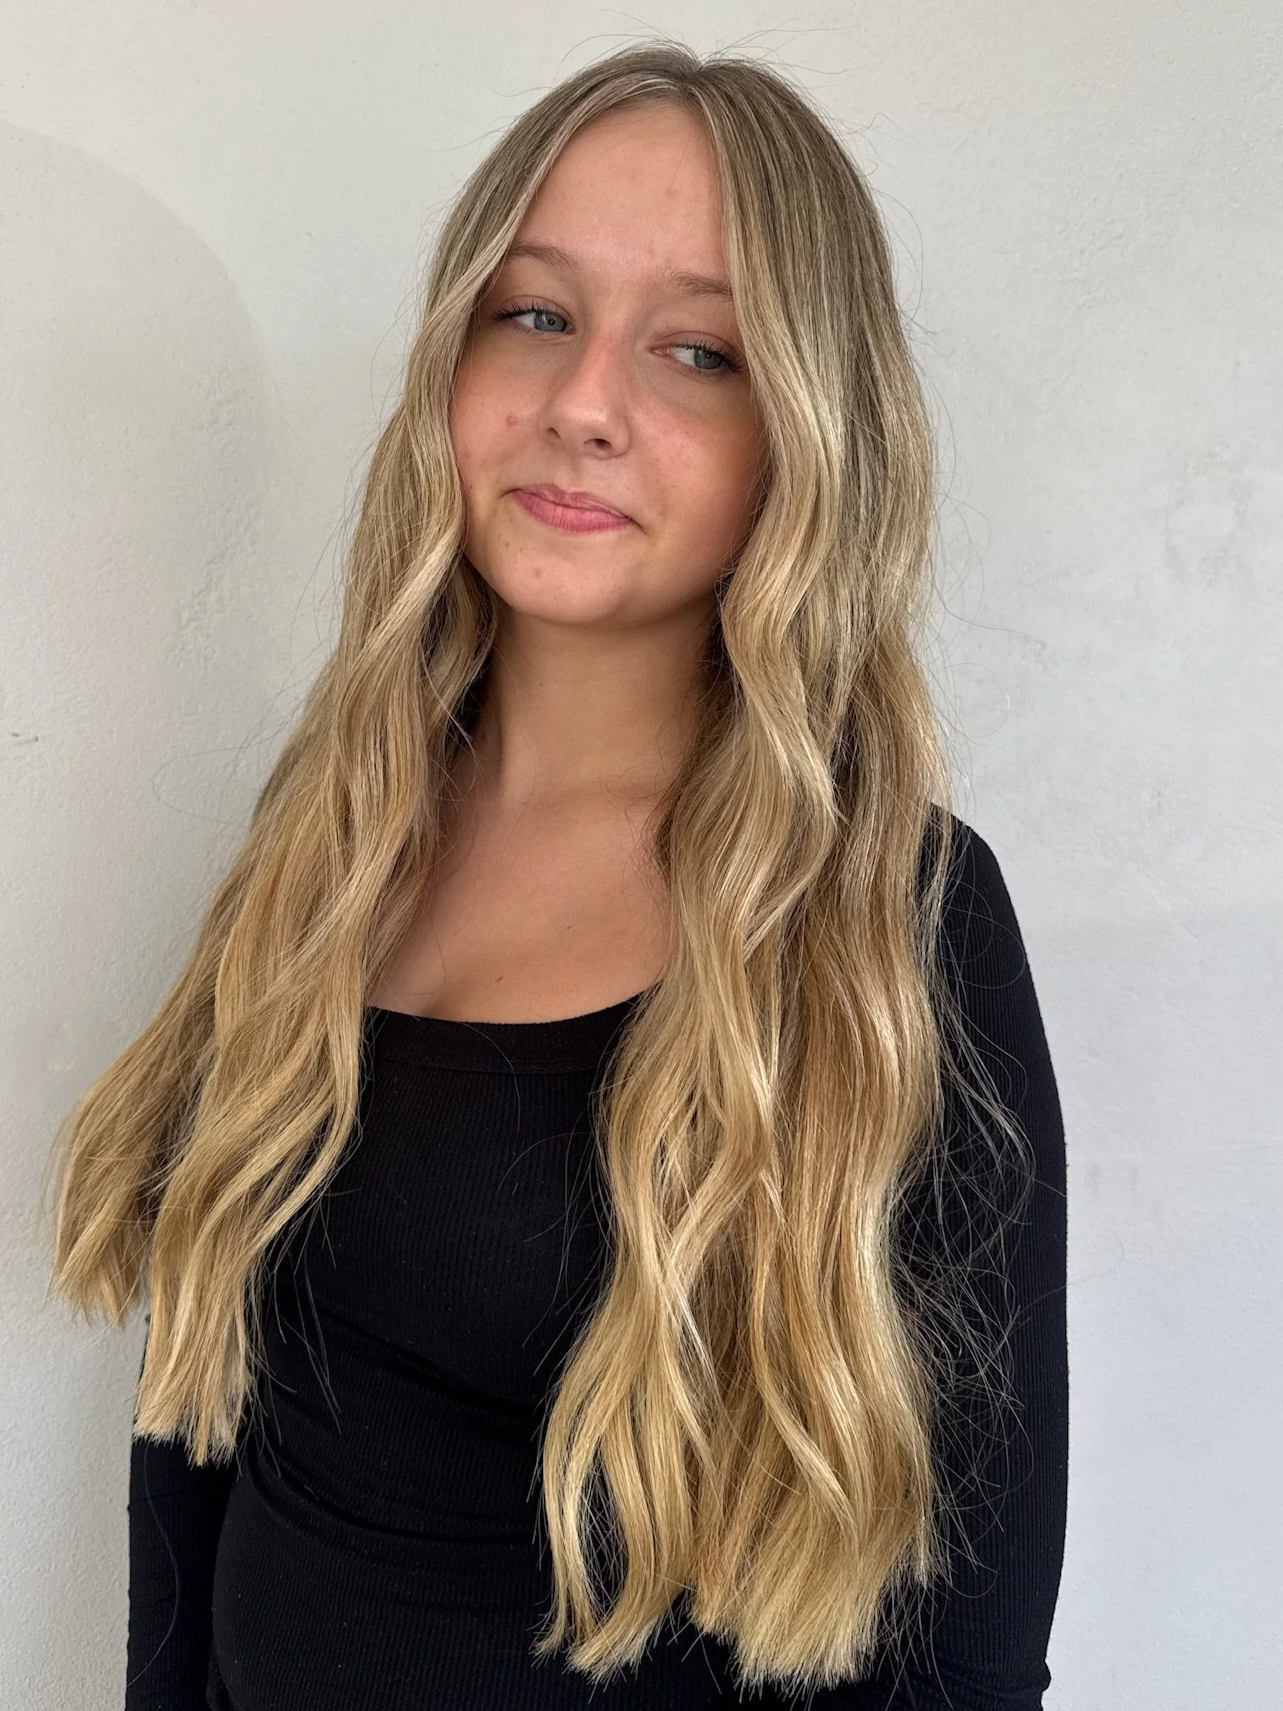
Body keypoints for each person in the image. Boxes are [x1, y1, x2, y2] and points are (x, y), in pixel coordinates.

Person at [45, 38, 1068, 1711]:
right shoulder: (335, 831)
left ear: (805, 432)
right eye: (534, 313)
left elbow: (961, 1638)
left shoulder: (888, 922)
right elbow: (200, 1429)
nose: (584, 403)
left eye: (697, 350)